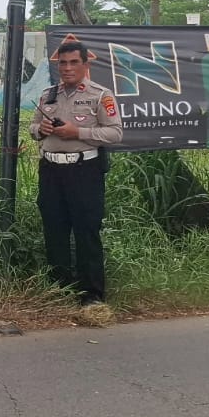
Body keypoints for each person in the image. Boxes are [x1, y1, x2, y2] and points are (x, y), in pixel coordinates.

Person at [28, 40, 124, 310]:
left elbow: (115, 133)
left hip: (84, 171)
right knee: (54, 231)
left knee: (86, 232)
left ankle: (91, 296)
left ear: (85, 64)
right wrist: (41, 129)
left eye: (73, 62)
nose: (67, 68)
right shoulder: (48, 94)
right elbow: (32, 127)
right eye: (63, 63)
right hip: (51, 170)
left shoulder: (100, 95)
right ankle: (60, 290)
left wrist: (77, 132)